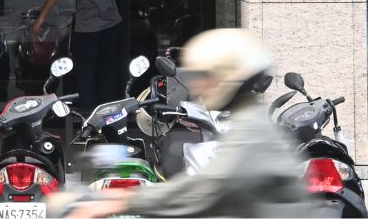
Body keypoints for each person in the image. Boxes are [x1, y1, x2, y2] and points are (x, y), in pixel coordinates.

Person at [49, 28, 309, 218]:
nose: (196, 85)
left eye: (205, 76)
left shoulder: (252, 131)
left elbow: (203, 190)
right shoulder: (247, 122)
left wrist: (114, 201)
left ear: (229, 76)